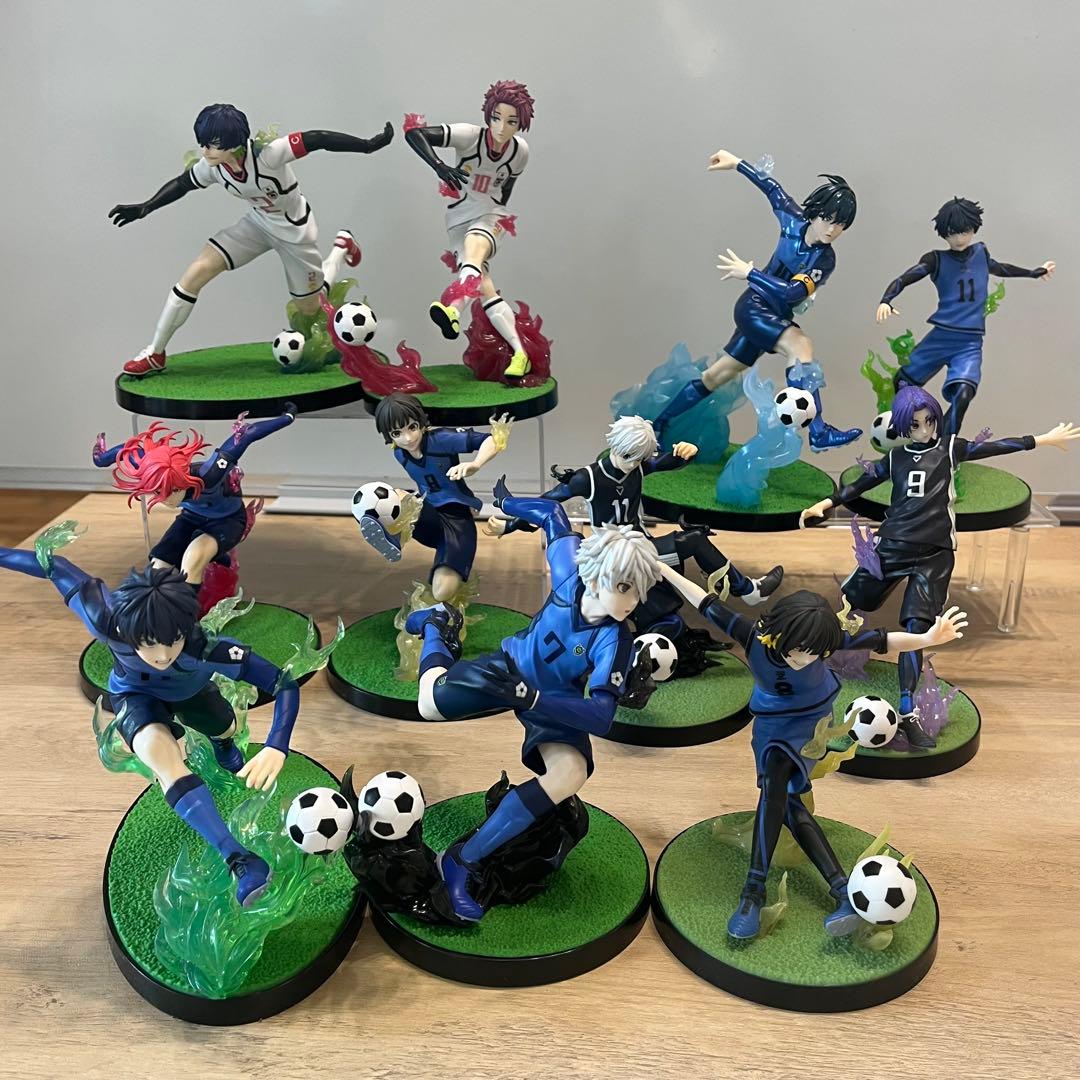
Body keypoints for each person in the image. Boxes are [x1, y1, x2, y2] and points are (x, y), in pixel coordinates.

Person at [658, 566, 967, 938]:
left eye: (816, 653)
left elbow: (882, 640)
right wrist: (661, 567)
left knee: (775, 787)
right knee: (789, 804)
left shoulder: (825, 639)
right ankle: (841, 890)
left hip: (812, 723)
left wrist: (927, 637)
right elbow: (705, 602)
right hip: (772, 725)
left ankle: (753, 891)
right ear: (782, 632)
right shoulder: (753, 637)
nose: (805, 659)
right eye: (800, 650)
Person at [404, 479, 662, 921]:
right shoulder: (569, 575)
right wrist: (507, 503)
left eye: (638, 590)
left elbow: (601, 715)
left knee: (570, 771)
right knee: (428, 703)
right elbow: (553, 516)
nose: (631, 600)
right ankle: (437, 624)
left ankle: (463, 860)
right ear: (595, 576)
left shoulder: (614, 640)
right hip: (508, 667)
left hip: (550, 698)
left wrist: (535, 699)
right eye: (624, 586)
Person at [0, 543, 303, 906]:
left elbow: (284, 683)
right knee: (161, 759)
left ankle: (223, 745)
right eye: (148, 644)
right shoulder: (106, 619)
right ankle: (238, 858)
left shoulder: (206, 648)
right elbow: (54, 566)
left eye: (172, 641)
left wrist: (276, 744)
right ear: (128, 631)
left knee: (224, 727)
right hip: (135, 697)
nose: (162, 655)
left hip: (192, 693)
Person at [801, 386, 1079, 746]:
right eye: (915, 424)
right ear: (903, 427)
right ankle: (816, 660)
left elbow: (996, 447)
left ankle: (907, 712)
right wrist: (825, 503)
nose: (924, 429)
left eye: (929, 421)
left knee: (917, 628)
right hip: (893, 545)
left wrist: (1041, 439)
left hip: (934, 553)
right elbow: (859, 484)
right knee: (849, 601)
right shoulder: (895, 457)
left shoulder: (950, 448)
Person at [110, 103, 393, 376]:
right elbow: (183, 184)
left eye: (212, 144)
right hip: (257, 225)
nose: (205, 150)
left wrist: (367, 145)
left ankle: (340, 249)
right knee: (196, 273)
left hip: (295, 232)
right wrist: (146, 207)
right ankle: (155, 353)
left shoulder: (269, 155)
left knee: (309, 307)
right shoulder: (213, 166)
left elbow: (318, 139)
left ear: (233, 142)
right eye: (203, 143)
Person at [651, 150, 861, 452]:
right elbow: (772, 188)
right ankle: (818, 430)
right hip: (753, 307)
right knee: (800, 345)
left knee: (716, 375)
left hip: (775, 314)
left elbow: (792, 293)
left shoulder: (825, 259)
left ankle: (659, 422)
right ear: (815, 213)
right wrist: (737, 163)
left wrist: (750, 273)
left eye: (840, 225)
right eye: (827, 219)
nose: (831, 229)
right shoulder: (793, 220)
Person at [876, 196, 1054, 436]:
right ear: (944, 232)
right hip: (941, 336)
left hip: (969, 343)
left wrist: (1033, 272)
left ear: (973, 229)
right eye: (953, 233)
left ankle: (944, 445)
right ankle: (902, 431)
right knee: (903, 382)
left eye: (965, 231)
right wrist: (886, 299)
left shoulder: (981, 253)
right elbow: (905, 278)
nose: (959, 238)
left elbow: (1002, 268)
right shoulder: (935, 260)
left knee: (964, 393)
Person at [404, 81, 534, 379]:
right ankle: (520, 354)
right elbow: (414, 133)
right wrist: (439, 166)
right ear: (488, 115)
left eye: (511, 122)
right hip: (458, 218)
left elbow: (507, 189)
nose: (502, 128)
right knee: (484, 285)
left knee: (475, 251)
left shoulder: (520, 152)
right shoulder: (468, 136)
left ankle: (453, 309)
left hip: (491, 216)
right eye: (496, 118)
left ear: (521, 124)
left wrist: (497, 216)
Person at [94, 406, 296, 591]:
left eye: (170, 491)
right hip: (191, 517)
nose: (164, 499)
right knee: (157, 568)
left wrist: (286, 417)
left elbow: (245, 436)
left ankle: (189, 614)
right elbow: (127, 451)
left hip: (229, 520)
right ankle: (161, 609)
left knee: (193, 558)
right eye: (156, 493)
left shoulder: (210, 474)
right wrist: (101, 459)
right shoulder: (153, 472)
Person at [358, 392, 510, 603]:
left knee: (442, 592)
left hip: (457, 520)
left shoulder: (440, 439)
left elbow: (491, 439)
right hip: (428, 514)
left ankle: (446, 609)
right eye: (397, 433)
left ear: (421, 422)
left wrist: (475, 464)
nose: (408, 438)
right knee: (396, 496)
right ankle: (393, 537)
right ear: (388, 435)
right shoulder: (400, 453)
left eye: (412, 427)